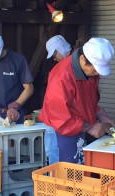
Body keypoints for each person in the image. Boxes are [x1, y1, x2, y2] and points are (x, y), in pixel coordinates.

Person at [39, 37, 115, 164]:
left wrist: (102, 116)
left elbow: (90, 101)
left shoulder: (91, 74)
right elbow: (59, 118)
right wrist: (91, 127)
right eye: (95, 69)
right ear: (83, 59)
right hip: (60, 131)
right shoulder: (62, 77)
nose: (97, 74)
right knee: (61, 176)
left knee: (77, 172)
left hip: (79, 128)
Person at [44, 35, 72, 164]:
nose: (55, 59)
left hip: (60, 122)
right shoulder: (64, 67)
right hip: (57, 120)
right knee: (53, 153)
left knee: (56, 155)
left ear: (58, 50)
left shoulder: (65, 68)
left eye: (54, 56)